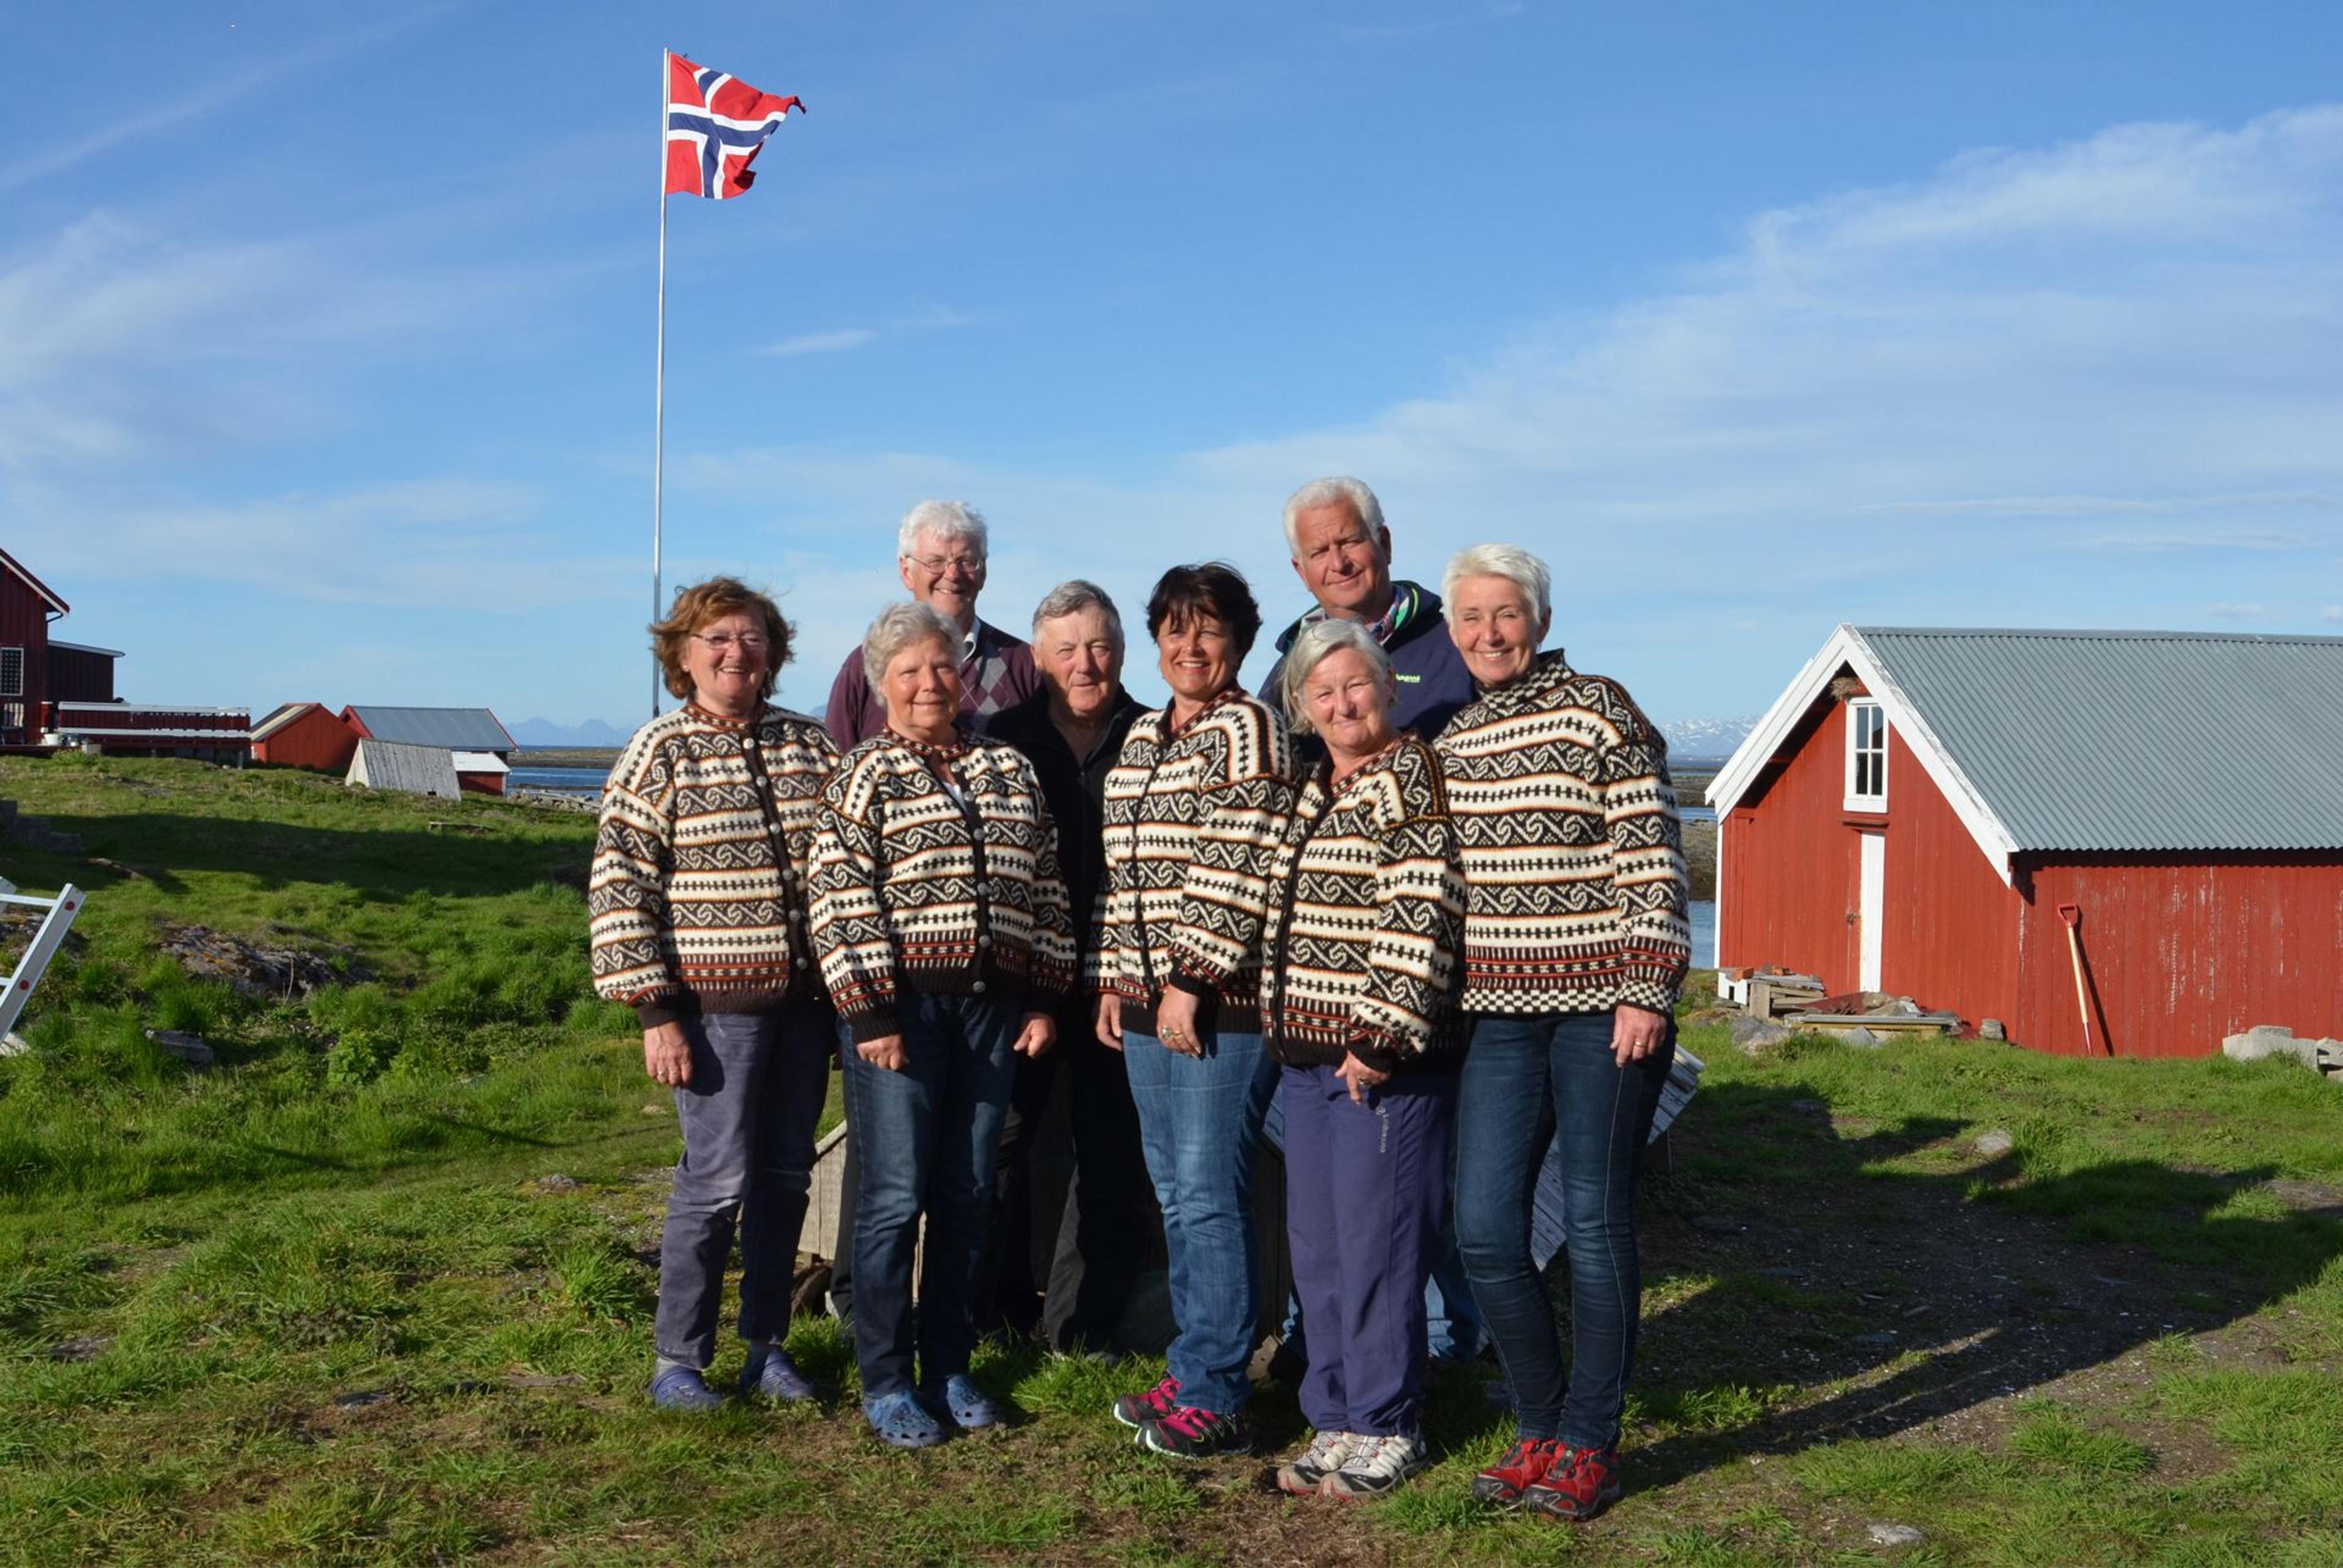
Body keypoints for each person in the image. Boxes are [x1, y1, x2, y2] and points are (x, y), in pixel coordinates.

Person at [1434, 544, 1690, 1523]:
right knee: (1488, 1229)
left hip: (1603, 1012)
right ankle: (1537, 1419)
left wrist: (1647, 987)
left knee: (1593, 1219)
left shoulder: (1601, 708)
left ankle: (1591, 1437)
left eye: (1506, 613)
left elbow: (1652, 853)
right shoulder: (1454, 739)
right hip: (1499, 1019)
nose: (1489, 632)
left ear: (1537, 619)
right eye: (1471, 617)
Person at [810, 601, 1078, 1449]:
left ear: (963, 674)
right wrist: (873, 1012)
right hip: (901, 1013)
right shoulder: (864, 774)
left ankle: (949, 1364)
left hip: (994, 1009)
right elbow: (839, 900)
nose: (930, 682)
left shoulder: (1006, 769)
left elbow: (1045, 886)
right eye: (910, 670)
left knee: (967, 1193)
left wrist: (1043, 993)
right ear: (882, 682)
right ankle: (886, 1378)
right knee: (893, 1199)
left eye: (943, 666)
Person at [589, 577, 838, 1411]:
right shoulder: (659, 750)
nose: (738, 653)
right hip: (712, 1011)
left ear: (775, 652)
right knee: (715, 1180)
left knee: (785, 1178)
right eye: (719, 639)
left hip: (806, 1011)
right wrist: (655, 1012)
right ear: (684, 654)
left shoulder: (811, 745)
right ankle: (676, 1360)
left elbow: (843, 870)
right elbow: (621, 884)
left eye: (754, 638)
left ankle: (765, 1347)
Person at [1254, 475, 1482, 1373]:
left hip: (1423, 988)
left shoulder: (1447, 643)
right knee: (1339, 1213)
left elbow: (1422, 888)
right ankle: (1347, 1368)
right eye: (1318, 551)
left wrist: (1388, 1017)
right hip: (1315, 1009)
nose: (1338, 560)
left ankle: (1431, 1363)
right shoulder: (1289, 662)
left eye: (1350, 542)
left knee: (1403, 1201)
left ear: (1382, 541)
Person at [1259, 619, 1466, 1500]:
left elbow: (1421, 907)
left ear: (1386, 687)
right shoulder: (1318, 786)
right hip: (1305, 1058)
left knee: (1379, 1245)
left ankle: (1387, 1421)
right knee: (1322, 1250)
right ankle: (1335, 1412)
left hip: (1376, 1060)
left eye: (1356, 684)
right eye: (1323, 691)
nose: (1342, 703)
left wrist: (1379, 1035)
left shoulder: (1409, 776)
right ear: (1303, 706)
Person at [1095, 563, 1296, 1459]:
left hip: (1220, 1007)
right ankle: (1193, 1359)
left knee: (1212, 1193)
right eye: (1175, 628)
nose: (1190, 645)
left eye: (1209, 628)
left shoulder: (1251, 732)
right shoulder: (1142, 735)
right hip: (1144, 1003)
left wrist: (1192, 978)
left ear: (1242, 642)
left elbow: (1239, 865)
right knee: (1174, 1191)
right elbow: (1122, 872)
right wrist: (1114, 977)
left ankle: (1218, 1385)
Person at [979, 581, 1155, 1353]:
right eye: (1067, 650)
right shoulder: (1000, 740)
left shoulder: (1155, 735)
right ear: (1039, 658)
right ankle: (995, 1310)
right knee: (1006, 1147)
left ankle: (1082, 1325)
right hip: (1026, 985)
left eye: (1101, 647)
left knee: (1112, 1154)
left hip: (1126, 984)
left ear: (1121, 651)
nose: (1087, 664)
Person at [822, 499, 1042, 749]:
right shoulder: (865, 667)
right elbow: (834, 768)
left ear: (983, 573)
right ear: (906, 572)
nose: (952, 574)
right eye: (935, 562)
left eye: (966, 561)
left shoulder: (1023, 665)